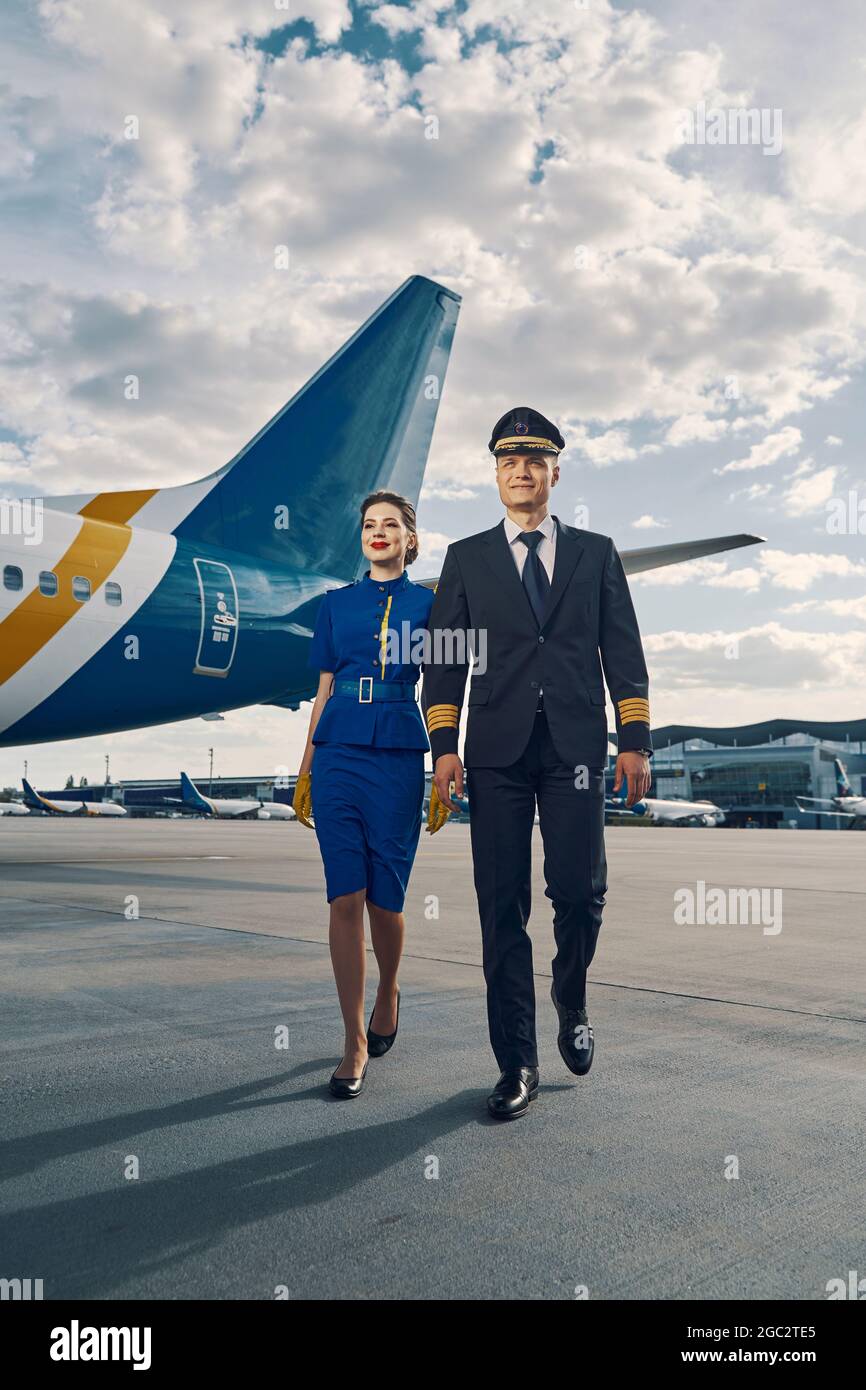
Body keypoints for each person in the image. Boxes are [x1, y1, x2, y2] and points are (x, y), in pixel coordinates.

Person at [423, 407, 653, 1120]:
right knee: (501, 907)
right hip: (494, 751)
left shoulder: (596, 552)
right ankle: (516, 1061)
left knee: (580, 893)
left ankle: (571, 997)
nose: (521, 472)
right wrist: (444, 747)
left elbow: (624, 649)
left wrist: (636, 738)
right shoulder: (466, 558)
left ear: (556, 471)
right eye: (508, 462)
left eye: (534, 461)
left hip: (577, 748)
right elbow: (440, 660)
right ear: (495, 474)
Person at [294, 491, 433, 1099]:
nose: (378, 533)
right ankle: (352, 1041)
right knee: (343, 897)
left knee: (385, 901)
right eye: (369, 525)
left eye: (391, 525)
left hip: (401, 752)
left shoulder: (432, 606)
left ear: (409, 537)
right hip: (338, 754)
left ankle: (388, 989)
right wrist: (305, 769)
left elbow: (447, 690)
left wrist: (448, 762)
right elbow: (323, 689)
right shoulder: (334, 606)